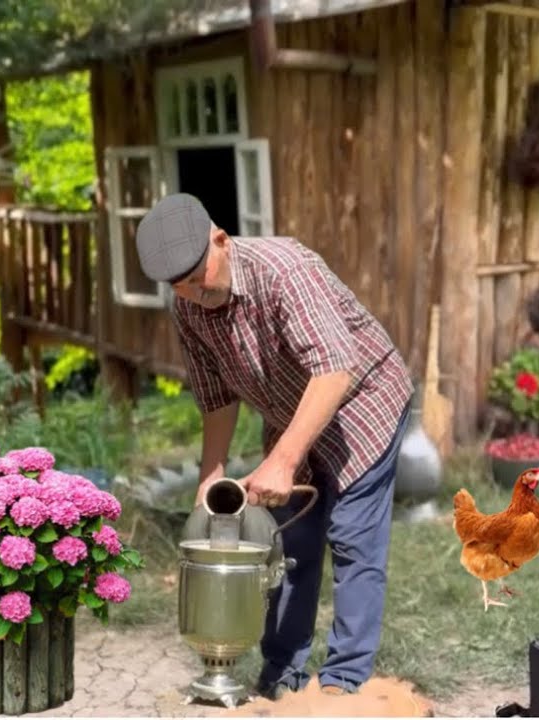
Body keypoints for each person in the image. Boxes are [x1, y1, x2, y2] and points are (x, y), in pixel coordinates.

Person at [134, 194, 414, 698]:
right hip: (292, 412)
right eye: (185, 288)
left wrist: (283, 460)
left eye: (202, 278)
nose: (199, 295)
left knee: (351, 537)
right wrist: (210, 478)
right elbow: (217, 397)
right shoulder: (190, 306)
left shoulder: (285, 270)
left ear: (220, 239)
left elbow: (334, 369)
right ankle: (280, 675)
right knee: (290, 545)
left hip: (362, 400)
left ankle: (342, 683)